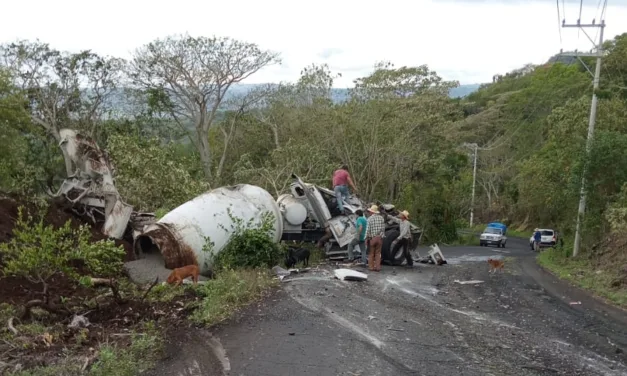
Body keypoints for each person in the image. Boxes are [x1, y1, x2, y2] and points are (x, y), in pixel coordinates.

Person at [365, 205, 385, 272]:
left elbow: (367, 230)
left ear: (372, 212)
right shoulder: (381, 218)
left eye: (370, 211)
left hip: (372, 238)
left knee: (371, 253)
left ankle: (371, 267)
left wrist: (366, 238)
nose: (370, 212)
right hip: (379, 238)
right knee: (378, 253)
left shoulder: (369, 219)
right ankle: (378, 267)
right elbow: (383, 230)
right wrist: (381, 236)